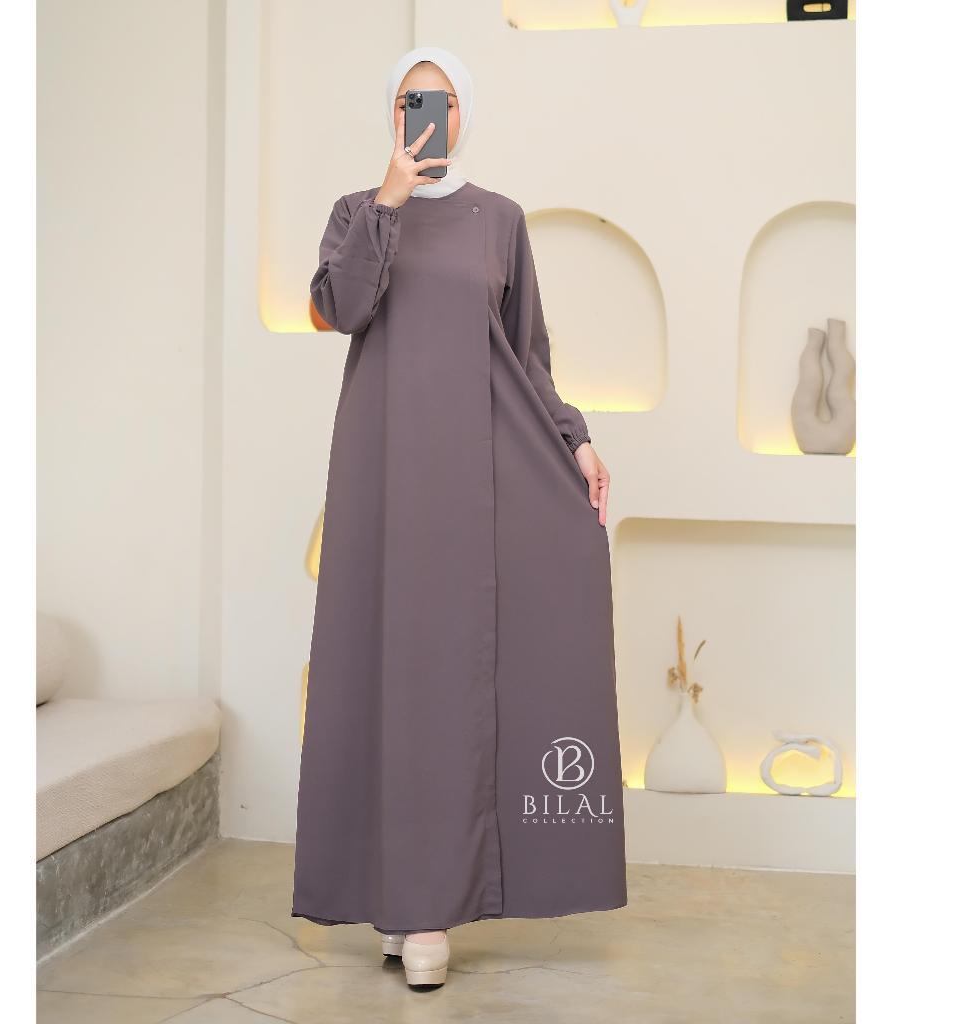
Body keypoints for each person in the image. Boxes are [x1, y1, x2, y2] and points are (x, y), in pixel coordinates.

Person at [292, 46, 627, 990]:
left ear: (463, 113)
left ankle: (430, 907)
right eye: (410, 100)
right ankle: (397, 897)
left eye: (438, 101)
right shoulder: (358, 212)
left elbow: (527, 351)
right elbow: (339, 308)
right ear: (392, 114)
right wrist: (390, 200)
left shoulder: (500, 219)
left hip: (474, 477)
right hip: (382, 473)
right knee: (385, 673)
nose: (424, 114)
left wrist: (574, 440)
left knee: (450, 677)